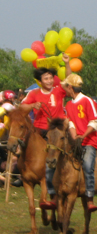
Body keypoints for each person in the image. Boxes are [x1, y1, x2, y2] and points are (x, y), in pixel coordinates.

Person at [21, 55, 72, 209]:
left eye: (51, 78)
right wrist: (32, 106)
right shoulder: (34, 93)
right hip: (39, 129)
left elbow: (70, 79)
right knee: (22, 145)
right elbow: (22, 107)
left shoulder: (59, 90)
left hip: (56, 129)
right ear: (40, 81)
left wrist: (68, 63)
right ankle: (21, 171)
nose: (49, 81)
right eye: (46, 78)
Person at [62, 74, 97, 212]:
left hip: (89, 140)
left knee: (88, 166)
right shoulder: (69, 104)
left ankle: (90, 198)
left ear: (70, 87)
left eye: (66, 87)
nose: (65, 90)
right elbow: (70, 122)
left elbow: (94, 122)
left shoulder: (87, 100)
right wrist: (74, 136)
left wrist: (83, 135)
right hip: (76, 140)